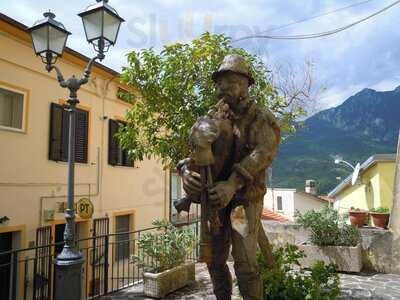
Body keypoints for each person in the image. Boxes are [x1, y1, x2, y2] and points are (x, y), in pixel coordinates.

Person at [178, 54, 280, 300]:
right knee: (214, 261)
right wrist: (185, 172)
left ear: (246, 85)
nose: (224, 88)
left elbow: (263, 153)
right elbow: (196, 153)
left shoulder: (261, 118)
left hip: (243, 200)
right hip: (215, 200)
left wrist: (232, 185)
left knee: (245, 264)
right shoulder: (211, 118)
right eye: (221, 82)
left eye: (232, 81)